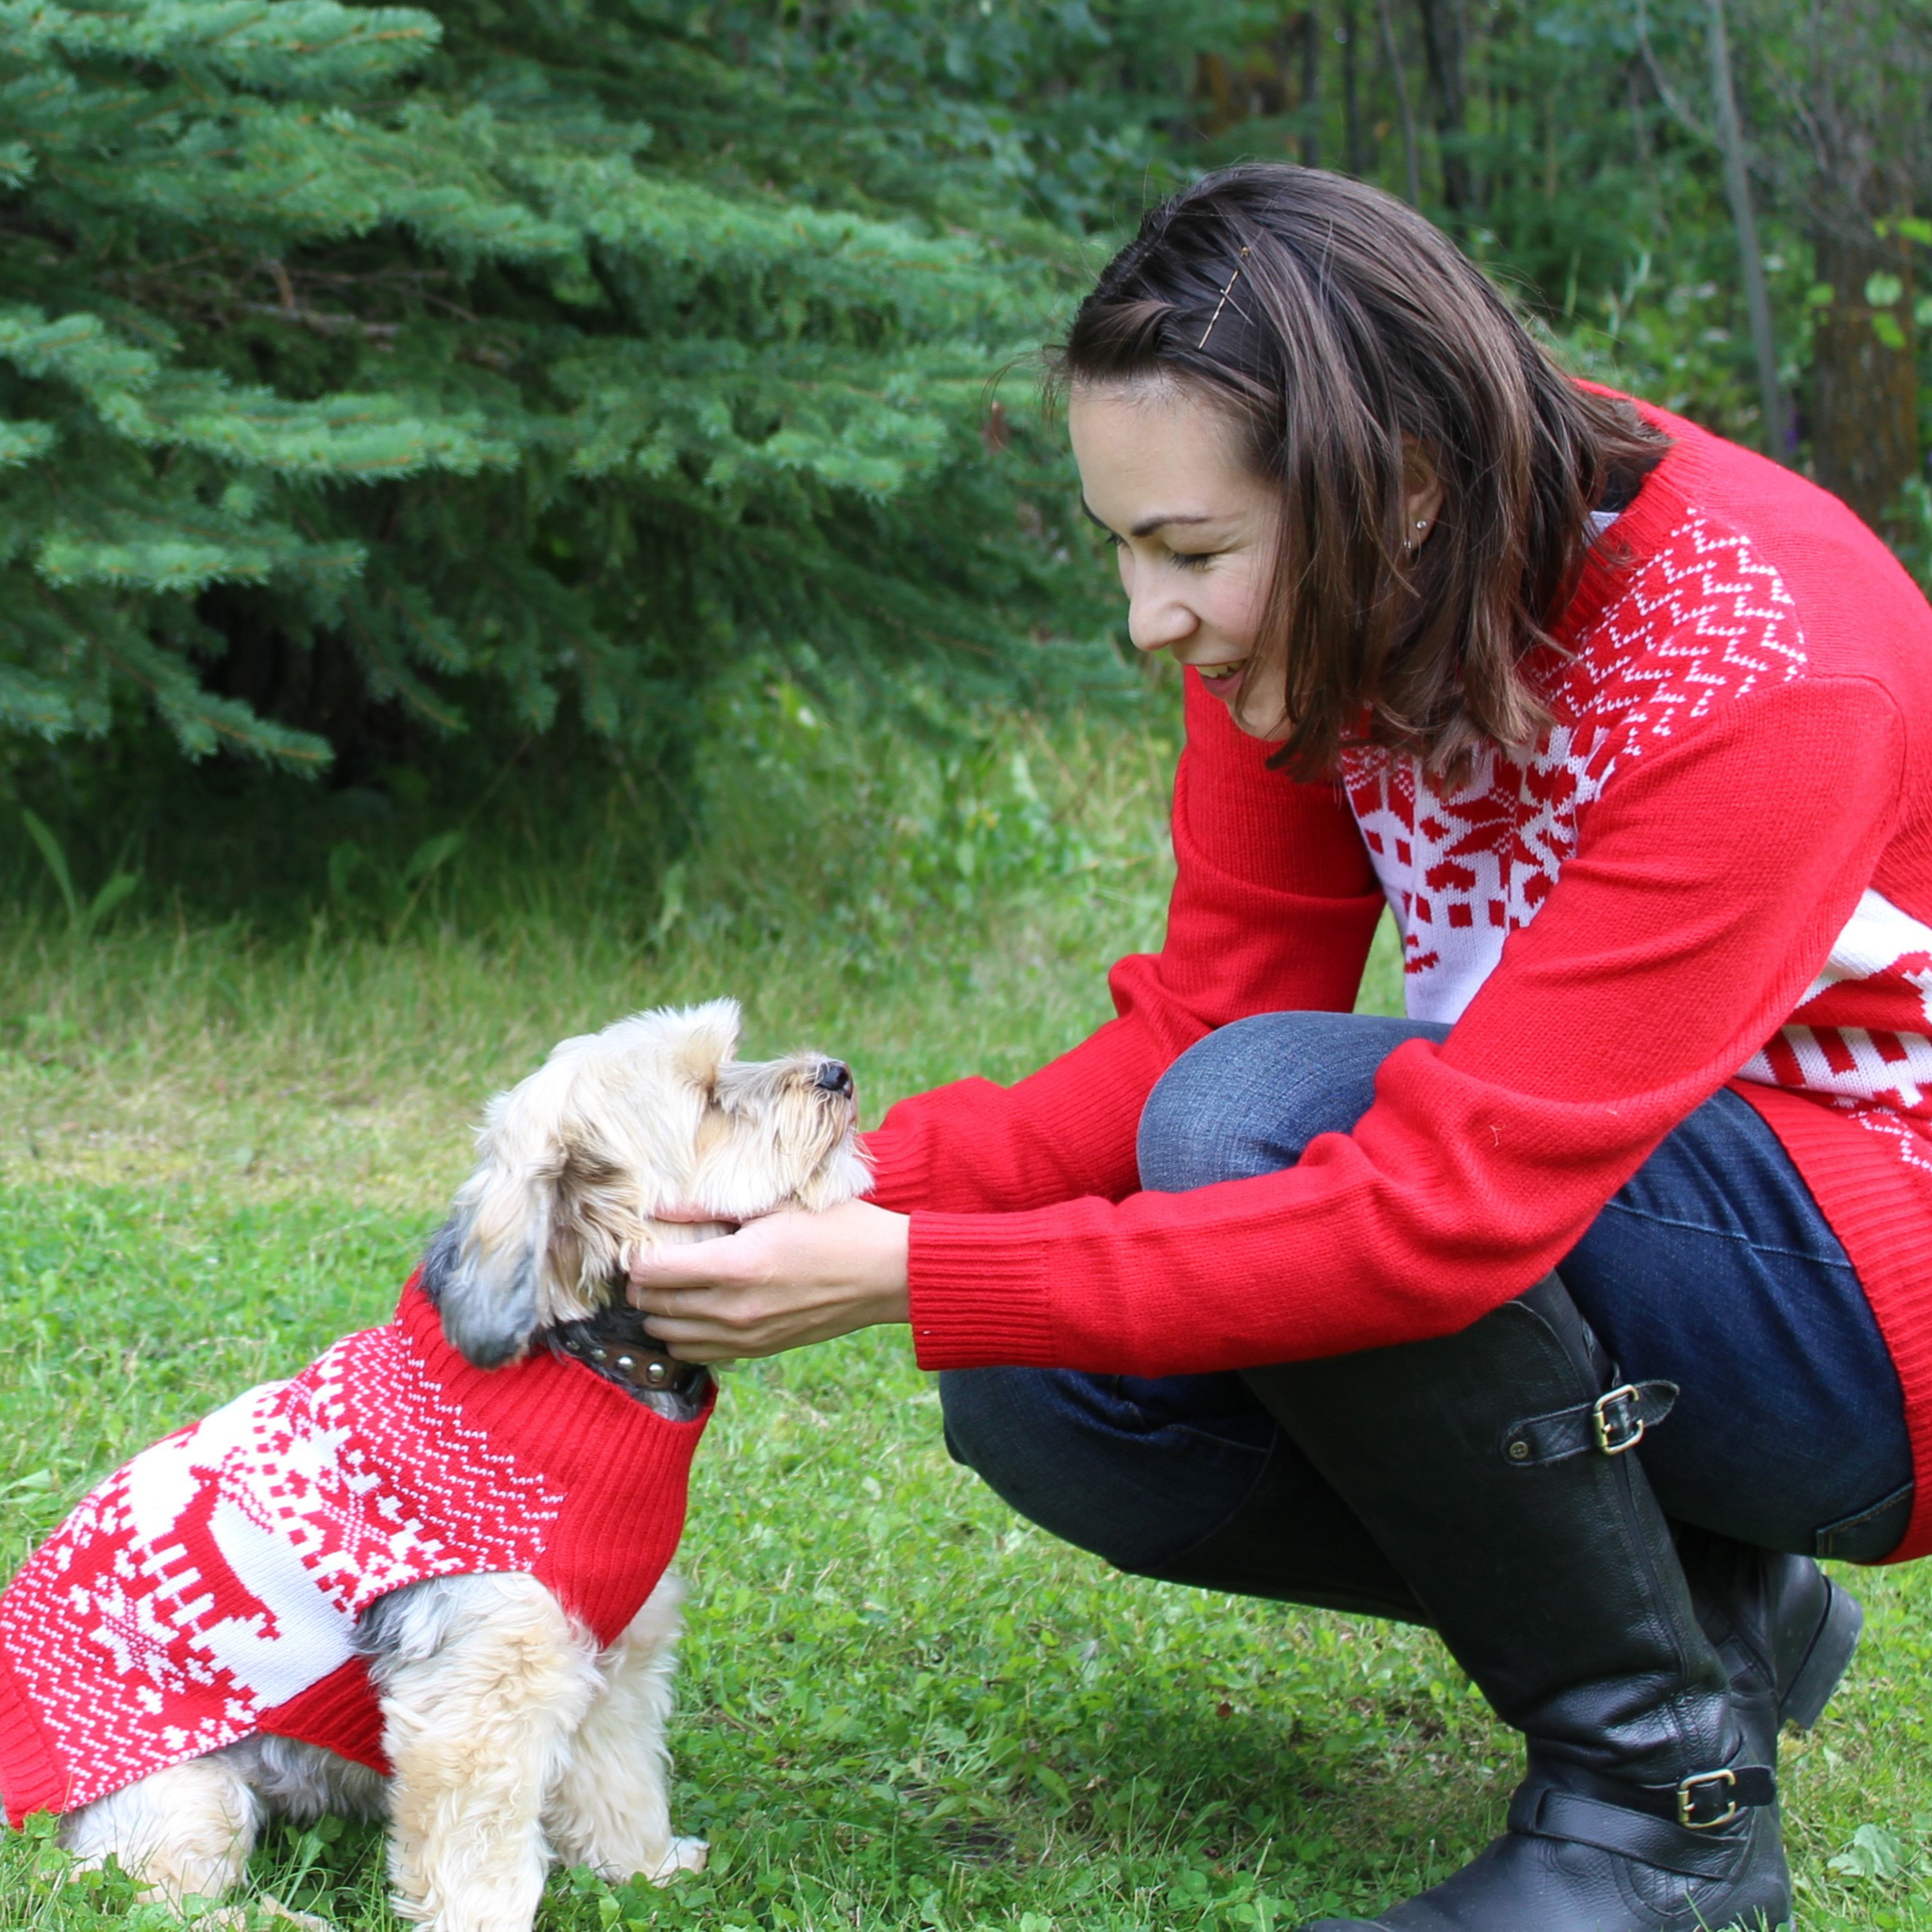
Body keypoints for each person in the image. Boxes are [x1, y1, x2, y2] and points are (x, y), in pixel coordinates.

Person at [627, 164, 1932, 1932]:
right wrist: (774, 1193)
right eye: (1125, 547)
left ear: (1394, 488)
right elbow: (1201, 1009)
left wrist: (904, 1272)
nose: (1147, 617)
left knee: (1258, 1132)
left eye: (1187, 554)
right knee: (1049, 1388)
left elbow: (1435, 1210)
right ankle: (1715, 1611)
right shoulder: (1327, 600)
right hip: (1623, 1206)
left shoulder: (1765, 655)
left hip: (1877, 1282)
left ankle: (1664, 1815)